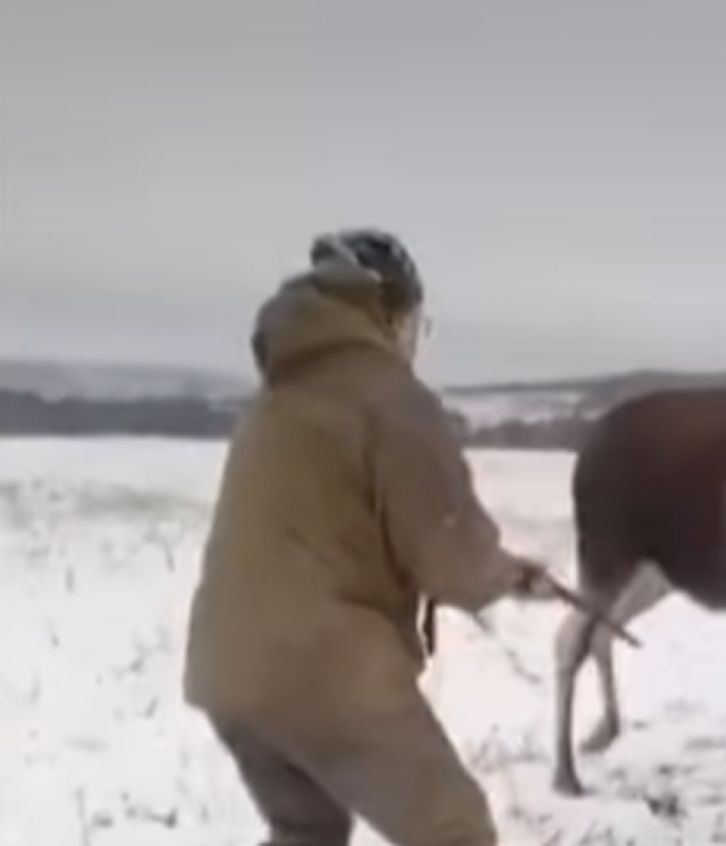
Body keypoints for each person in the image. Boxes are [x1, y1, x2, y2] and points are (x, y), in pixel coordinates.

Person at [184, 229, 555, 846]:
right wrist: (512, 575)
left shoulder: (277, 399)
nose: (415, 339)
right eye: (416, 321)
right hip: (320, 665)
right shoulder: (390, 397)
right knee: (453, 830)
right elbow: (450, 553)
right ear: (391, 311)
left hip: (226, 670)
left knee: (306, 830)